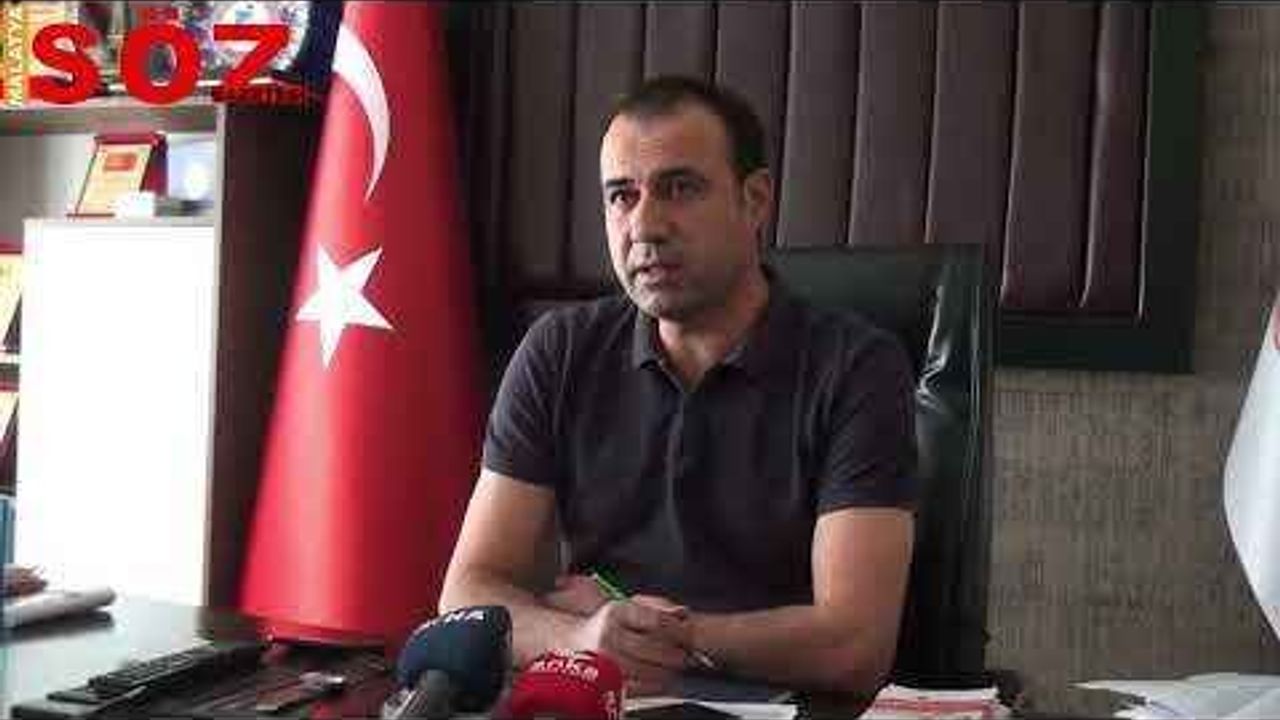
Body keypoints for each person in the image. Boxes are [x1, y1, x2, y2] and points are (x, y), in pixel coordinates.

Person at [440, 75, 916, 697]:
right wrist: (580, 638)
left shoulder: (857, 367)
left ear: (755, 201)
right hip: (604, 698)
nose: (644, 226)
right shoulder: (560, 350)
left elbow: (854, 646)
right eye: (622, 196)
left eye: (679, 189)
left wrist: (653, 633)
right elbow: (468, 592)